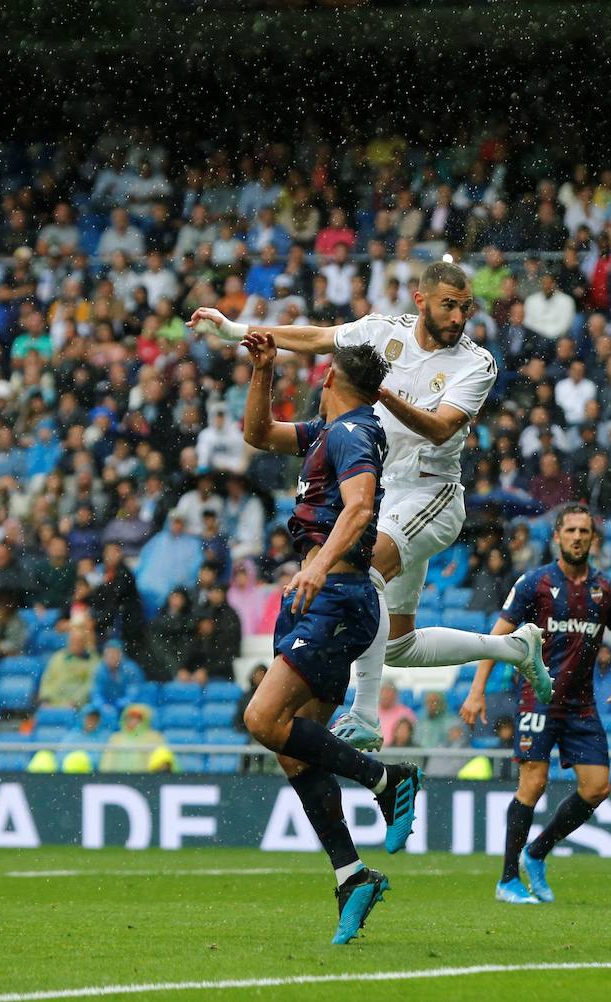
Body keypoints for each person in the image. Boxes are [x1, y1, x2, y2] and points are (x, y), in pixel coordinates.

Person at [190, 262, 552, 754]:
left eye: (465, 308)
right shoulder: (383, 331)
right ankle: (511, 647)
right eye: (449, 305)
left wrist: (383, 394)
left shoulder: (477, 363)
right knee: (399, 645)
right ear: (421, 301)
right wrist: (237, 331)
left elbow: (442, 428)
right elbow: (317, 339)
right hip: (386, 495)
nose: (458, 317)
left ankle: (364, 712)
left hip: (430, 495)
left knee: (360, 572)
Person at [234, 329, 420, 945]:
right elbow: (257, 436)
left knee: (262, 719)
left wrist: (315, 565)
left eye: (322, 370)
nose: (315, 376)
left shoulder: (353, 432)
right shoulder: (328, 433)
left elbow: (361, 508)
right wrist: (261, 371)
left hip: (334, 597)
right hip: (320, 598)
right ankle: (351, 876)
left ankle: (386, 780)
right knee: (294, 747)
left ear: (333, 379)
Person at [459, 504, 611, 904]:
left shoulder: (606, 588)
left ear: (593, 539)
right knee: (533, 784)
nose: (577, 537)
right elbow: (496, 638)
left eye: (584, 531)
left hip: (582, 705)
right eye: (571, 530)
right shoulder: (534, 583)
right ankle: (507, 880)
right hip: (538, 700)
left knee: (597, 788)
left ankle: (536, 852)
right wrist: (476, 690)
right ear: (557, 536)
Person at [37, 625, 100, 709]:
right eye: (72, 641)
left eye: (79, 641)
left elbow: (89, 686)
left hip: (77, 705)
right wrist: (46, 699)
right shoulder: (57, 657)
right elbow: (47, 680)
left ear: (85, 643)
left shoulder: (93, 661)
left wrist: (75, 702)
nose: (75, 644)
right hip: (53, 702)